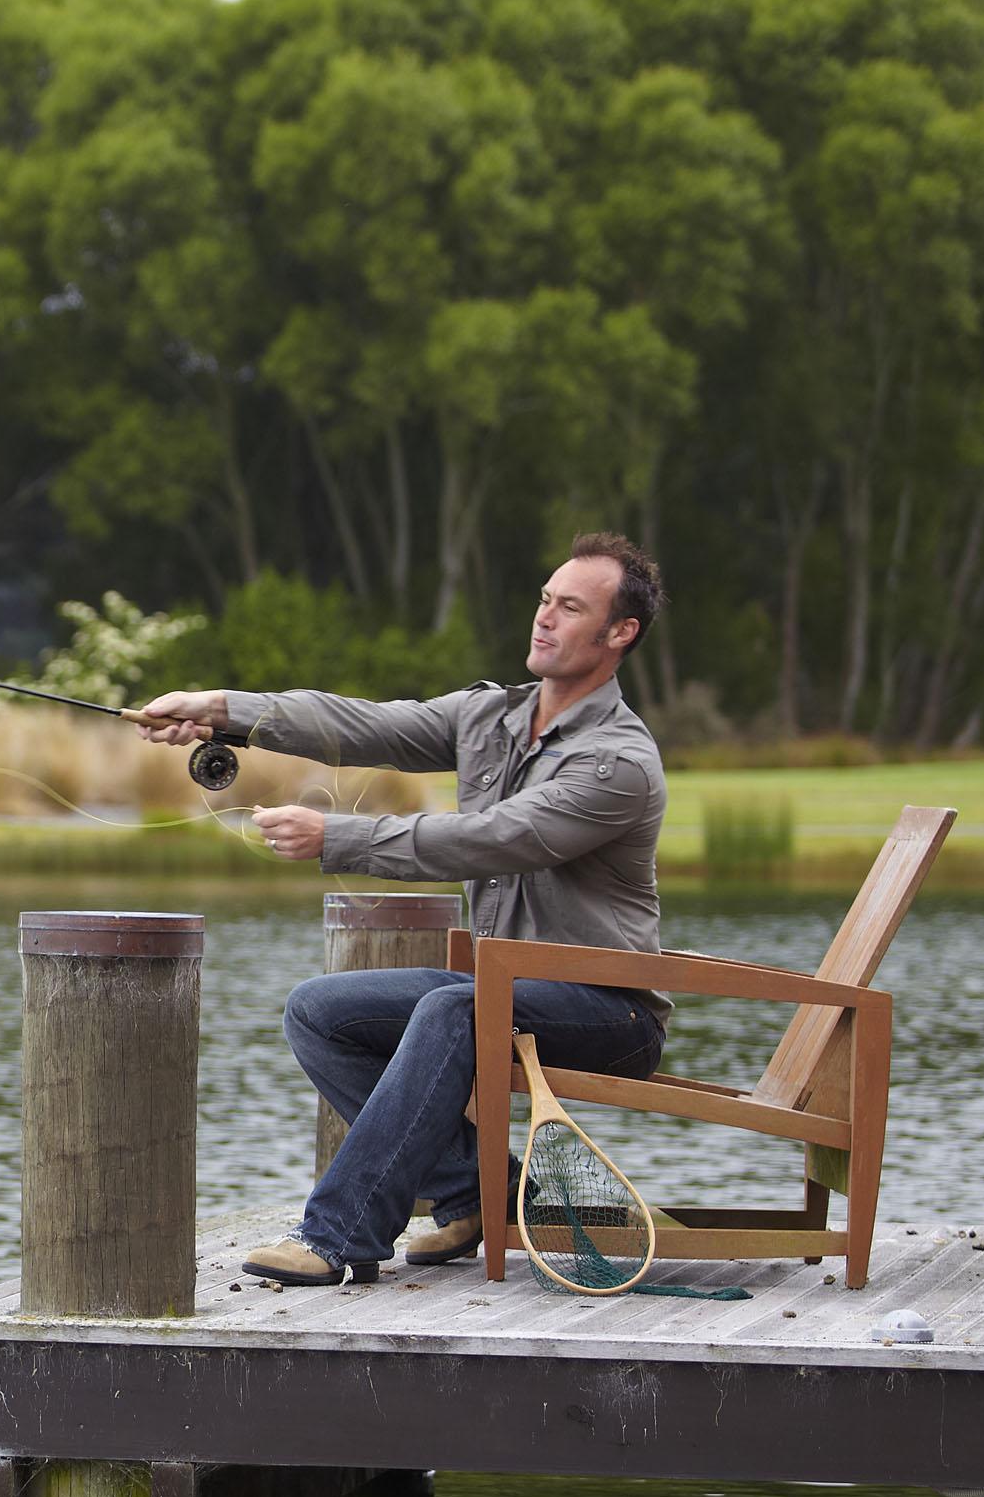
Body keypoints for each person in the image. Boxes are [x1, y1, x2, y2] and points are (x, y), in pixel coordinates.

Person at [132, 532, 671, 1287]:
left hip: (608, 1012)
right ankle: (478, 1191)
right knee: (319, 1011)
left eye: (571, 607)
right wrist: (221, 710)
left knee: (456, 1010)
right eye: (546, 599)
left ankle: (340, 1234)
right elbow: (363, 725)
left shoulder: (617, 762)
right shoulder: (491, 716)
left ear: (621, 634)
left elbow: (492, 840)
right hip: (503, 993)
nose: (545, 617)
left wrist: (338, 836)